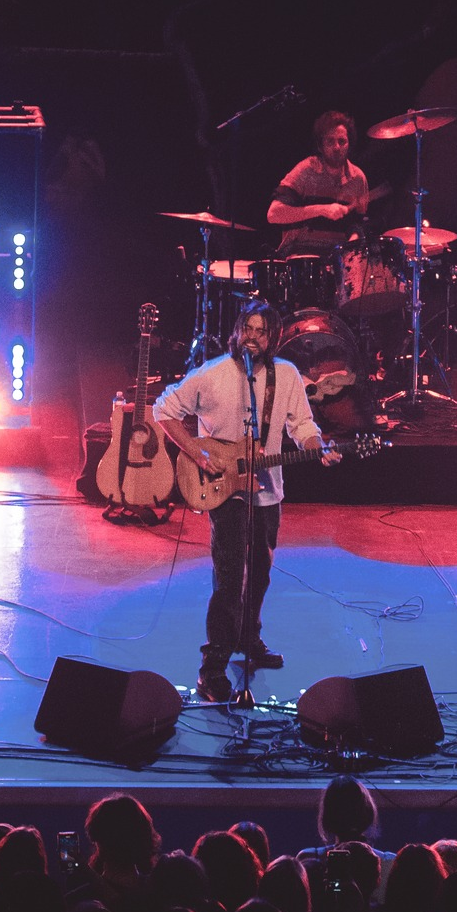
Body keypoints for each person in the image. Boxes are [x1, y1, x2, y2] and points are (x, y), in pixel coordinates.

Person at [155, 300, 337, 702]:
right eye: (247, 329)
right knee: (229, 577)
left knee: (260, 573)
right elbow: (164, 408)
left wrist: (317, 445)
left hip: (267, 489)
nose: (252, 337)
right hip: (222, 487)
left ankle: (248, 640)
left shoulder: (285, 375)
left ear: (272, 338)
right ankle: (213, 666)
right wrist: (194, 452)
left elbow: (302, 425)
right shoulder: (213, 373)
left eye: (261, 331)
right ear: (237, 332)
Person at [267, 110, 369, 257]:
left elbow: (358, 224)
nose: (336, 147)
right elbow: (274, 214)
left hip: (338, 258)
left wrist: (354, 239)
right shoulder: (305, 170)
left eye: (342, 141)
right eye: (330, 141)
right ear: (320, 146)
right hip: (301, 255)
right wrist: (321, 209)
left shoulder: (358, 179)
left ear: (349, 145)